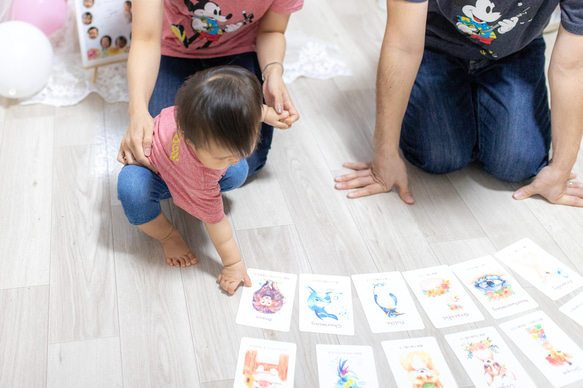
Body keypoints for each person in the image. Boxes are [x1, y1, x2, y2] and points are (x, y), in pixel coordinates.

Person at [335, 0, 583, 207]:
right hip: (433, 42)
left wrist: (561, 169)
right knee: (439, 157)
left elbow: (572, 68)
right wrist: (385, 152)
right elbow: (402, 46)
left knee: (518, 164)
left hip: (515, 50)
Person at [117, 66, 289, 295]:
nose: (233, 157)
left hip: (183, 170)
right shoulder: (202, 179)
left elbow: (241, 111)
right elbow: (219, 228)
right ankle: (169, 236)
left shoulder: (194, 112)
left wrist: (267, 113)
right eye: (223, 156)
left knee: (239, 169)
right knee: (131, 190)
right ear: (190, 140)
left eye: (241, 147)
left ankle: (188, 194)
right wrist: (233, 264)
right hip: (152, 171)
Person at [117, 0, 302, 195]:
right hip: (171, 49)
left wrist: (273, 72)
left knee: (244, 162)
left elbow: (272, 31)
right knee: (157, 152)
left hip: (238, 50)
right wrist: (137, 110)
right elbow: (145, 40)